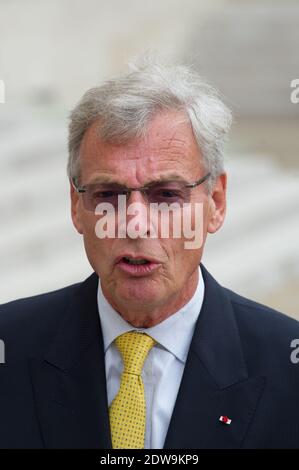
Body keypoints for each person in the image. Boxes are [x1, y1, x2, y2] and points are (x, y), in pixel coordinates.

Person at [0, 55, 299, 449]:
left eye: (167, 195)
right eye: (108, 194)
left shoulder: (286, 368)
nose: (136, 223)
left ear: (217, 202)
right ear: (76, 206)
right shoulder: (10, 347)